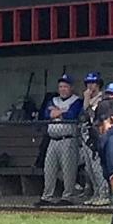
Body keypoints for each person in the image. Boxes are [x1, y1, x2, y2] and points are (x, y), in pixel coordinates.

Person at [36, 75, 83, 206]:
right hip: (53, 139)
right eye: (61, 87)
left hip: (68, 139)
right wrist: (61, 111)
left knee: (68, 170)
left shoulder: (76, 100)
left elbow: (71, 115)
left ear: (71, 88)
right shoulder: (53, 100)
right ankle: (47, 197)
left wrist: (57, 113)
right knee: (49, 169)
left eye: (65, 87)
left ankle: (68, 197)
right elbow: (46, 114)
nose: (63, 89)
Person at [77, 72, 110, 206]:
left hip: (97, 136)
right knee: (89, 168)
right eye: (88, 83)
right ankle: (96, 194)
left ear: (98, 84)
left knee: (97, 168)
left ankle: (104, 195)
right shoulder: (87, 98)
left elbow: (91, 114)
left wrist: (87, 101)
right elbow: (81, 116)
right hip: (86, 136)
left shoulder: (102, 99)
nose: (90, 86)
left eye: (93, 83)